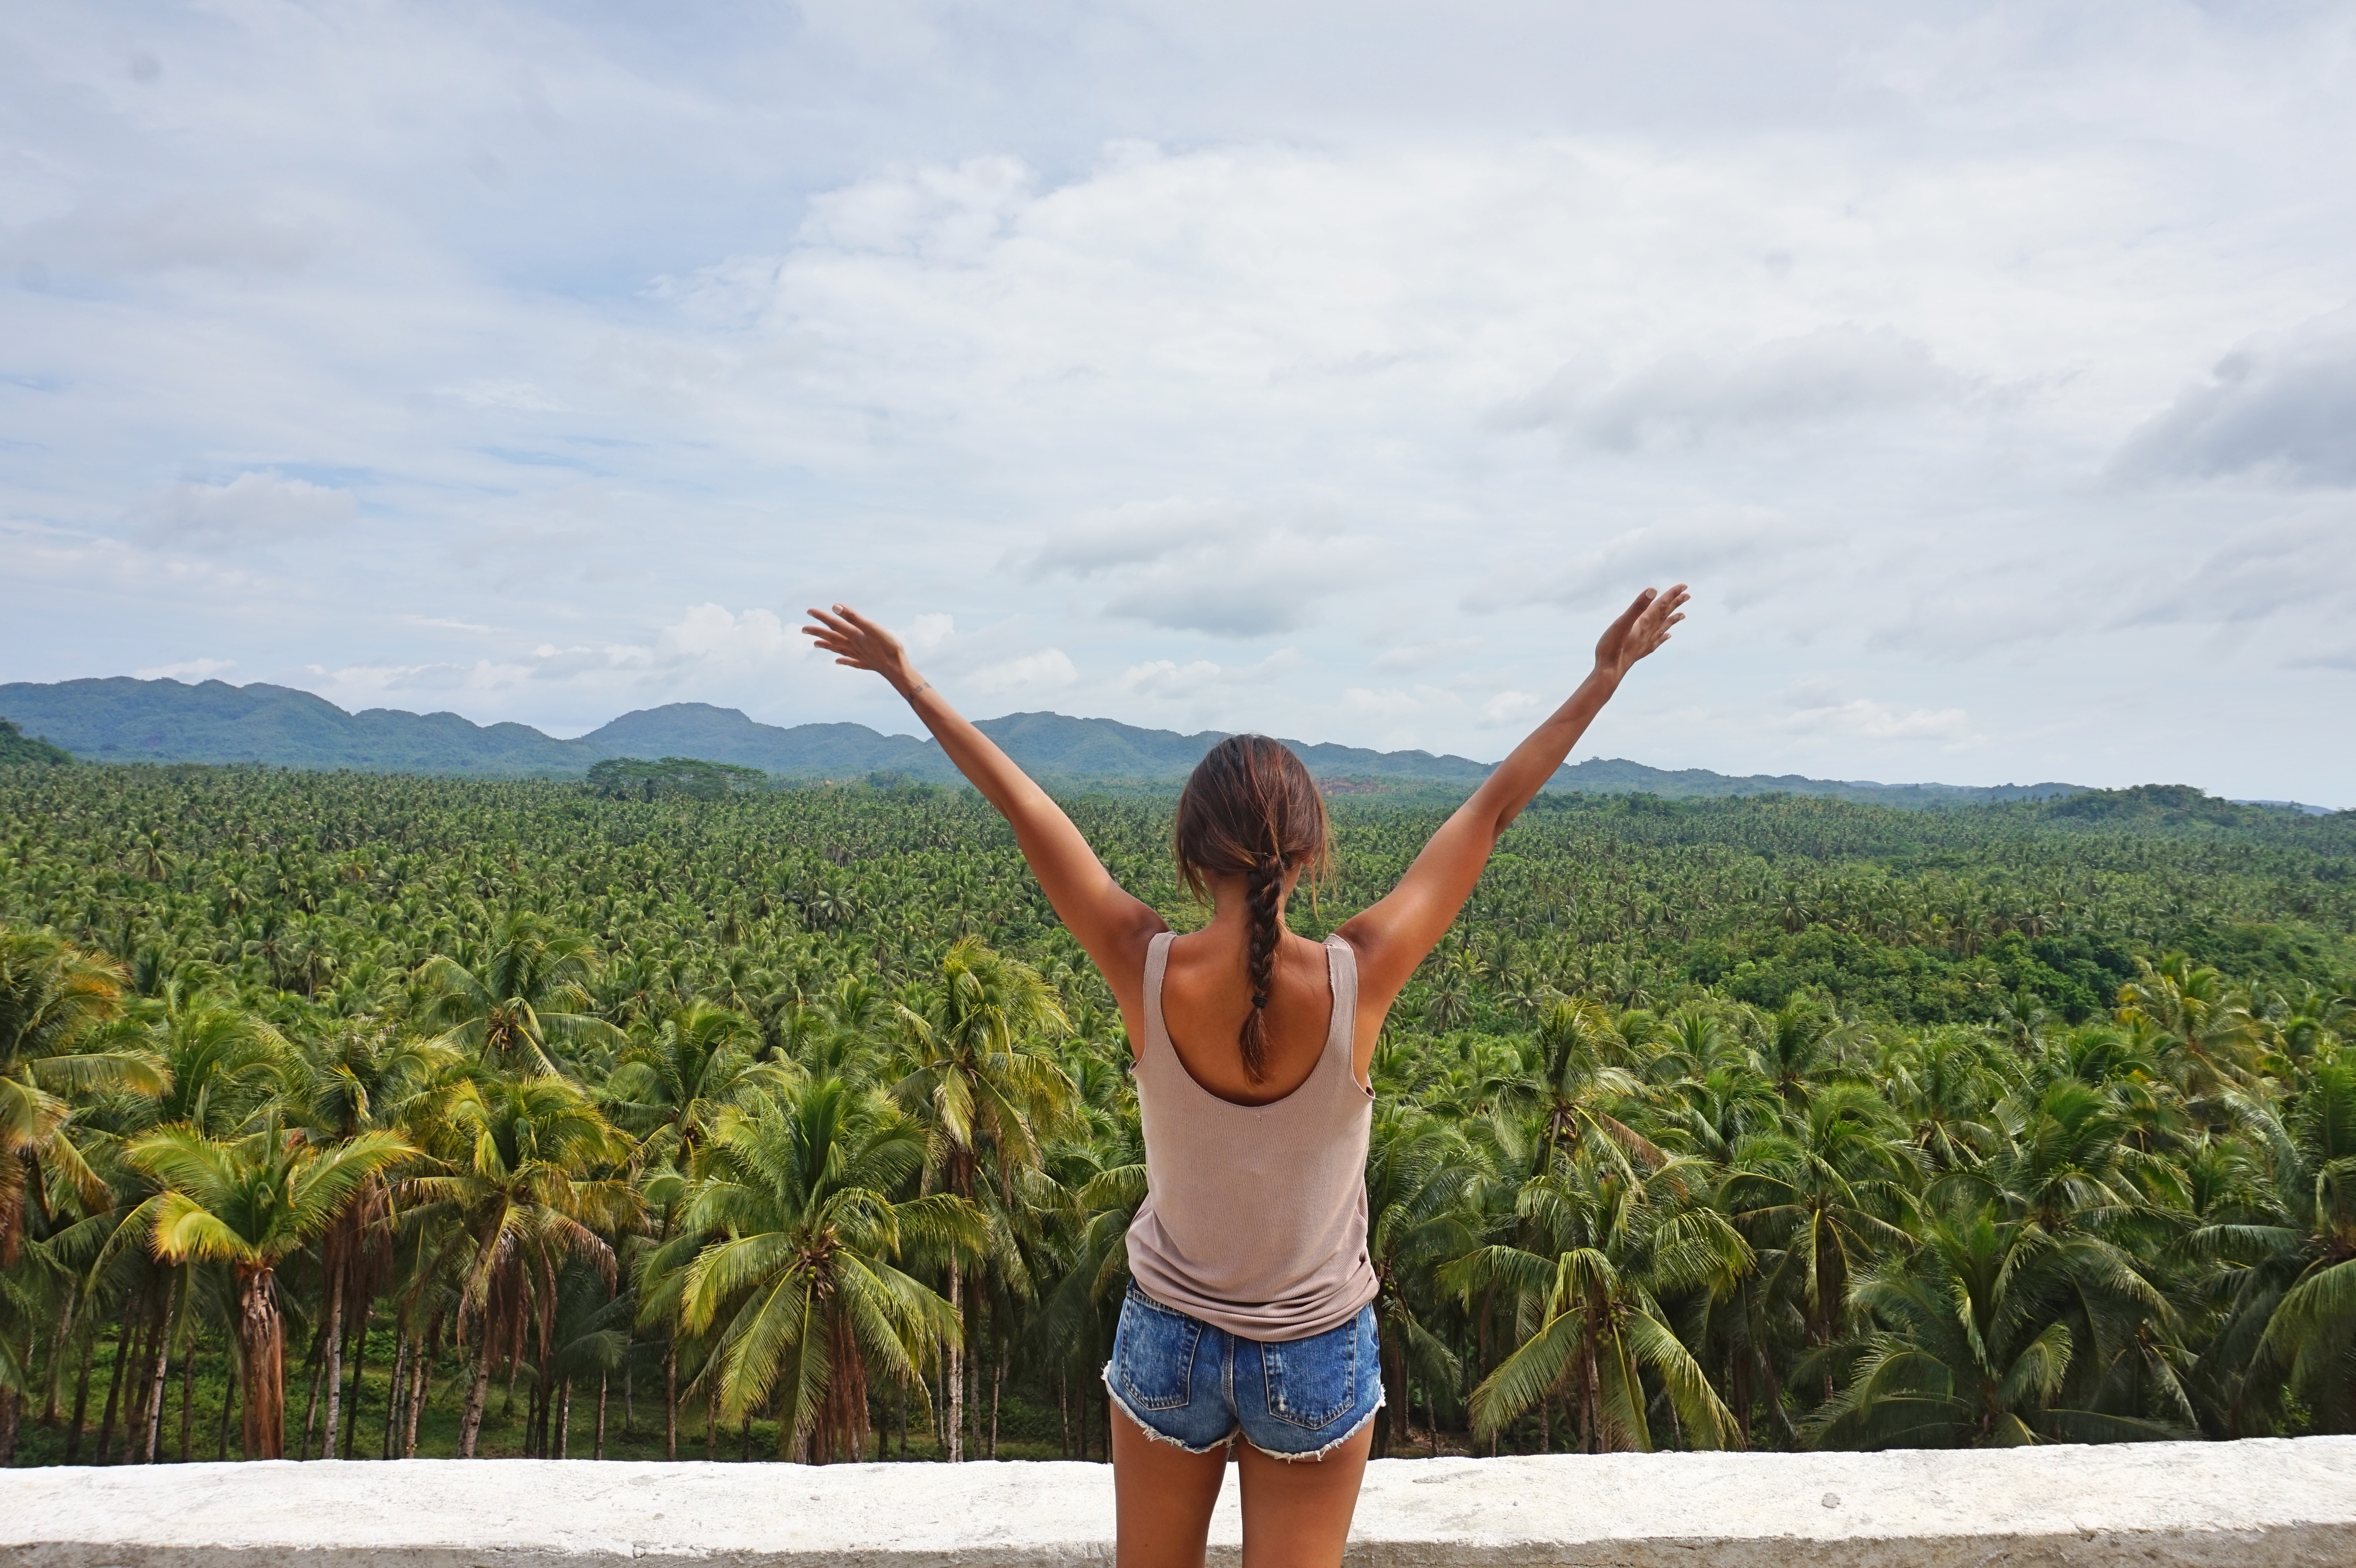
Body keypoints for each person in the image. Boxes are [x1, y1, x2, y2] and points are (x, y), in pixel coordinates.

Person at [801, 585, 1688, 1568]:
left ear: (1190, 853)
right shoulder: (1361, 973)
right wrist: (1600, 682)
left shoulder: (1142, 966)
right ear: (1307, 852)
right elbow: (1490, 811)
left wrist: (911, 682)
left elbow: (1024, 806)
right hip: (1314, 1345)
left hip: (1168, 1337)